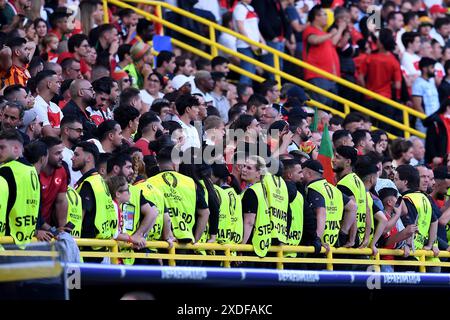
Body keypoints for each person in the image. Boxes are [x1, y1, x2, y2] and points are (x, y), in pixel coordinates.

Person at [148, 146, 209, 250]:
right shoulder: (191, 182)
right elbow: (205, 213)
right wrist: (195, 239)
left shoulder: (150, 183)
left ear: (159, 163)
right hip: (185, 244)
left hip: (161, 244)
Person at [107, 153, 158, 265]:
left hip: (126, 252)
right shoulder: (104, 191)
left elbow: (154, 212)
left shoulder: (134, 190)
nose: (132, 171)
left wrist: (137, 236)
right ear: (116, 168)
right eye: (128, 167)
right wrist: (134, 238)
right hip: (109, 251)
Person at [72, 141, 117, 262]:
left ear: (88, 158)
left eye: (76, 155)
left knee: (76, 281)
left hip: (87, 250)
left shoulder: (89, 183)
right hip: (102, 247)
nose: (72, 158)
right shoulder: (100, 180)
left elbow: (79, 216)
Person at [301, 159, 356, 252]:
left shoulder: (313, 188)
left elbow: (321, 213)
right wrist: (343, 233)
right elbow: (353, 207)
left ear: (309, 173)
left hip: (318, 245)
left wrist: (317, 239)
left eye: (301, 172)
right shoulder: (334, 189)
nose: (300, 176)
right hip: (333, 243)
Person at [394, 165, 439, 267]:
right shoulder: (424, 198)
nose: (394, 182)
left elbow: (409, 224)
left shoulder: (407, 199)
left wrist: (407, 244)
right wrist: (431, 244)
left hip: (408, 252)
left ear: (405, 182)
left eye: (396, 179)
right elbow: (434, 221)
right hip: (420, 252)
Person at [0, 130, 40, 246]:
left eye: (2, 148)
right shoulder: (32, 170)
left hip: (8, 237)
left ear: (16, 149)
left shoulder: (7, 170)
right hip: (27, 238)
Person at [302, 5, 343, 106]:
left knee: (329, 110)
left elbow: (334, 43)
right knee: (321, 108)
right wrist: (331, 34)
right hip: (317, 75)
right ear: (316, 17)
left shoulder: (323, 34)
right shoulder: (310, 29)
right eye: (324, 14)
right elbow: (314, 40)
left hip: (329, 77)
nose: (327, 17)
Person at [334, 146, 369, 248]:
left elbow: (353, 209)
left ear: (348, 162)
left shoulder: (344, 184)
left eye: (337, 157)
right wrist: (366, 237)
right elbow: (367, 210)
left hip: (348, 240)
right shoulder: (358, 181)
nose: (333, 160)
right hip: (360, 238)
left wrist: (351, 239)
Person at [241, 155, 273, 258]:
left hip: (250, 245)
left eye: (249, 168)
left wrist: (241, 247)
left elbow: (249, 222)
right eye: (244, 166)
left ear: (258, 173)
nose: (244, 170)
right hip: (261, 244)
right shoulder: (262, 188)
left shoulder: (252, 192)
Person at [39, 136, 68, 228]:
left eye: (61, 152)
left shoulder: (61, 171)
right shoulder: (34, 172)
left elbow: (61, 201)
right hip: (30, 227)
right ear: (45, 154)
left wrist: (62, 229)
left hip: (47, 226)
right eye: (57, 153)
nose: (62, 157)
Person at [33, 70, 63, 137]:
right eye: (57, 82)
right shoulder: (36, 104)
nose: (59, 86)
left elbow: (66, 128)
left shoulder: (55, 106)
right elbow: (48, 133)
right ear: (49, 84)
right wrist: (63, 130)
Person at [60, 116, 83, 187]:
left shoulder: (72, 153)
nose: (82, 134)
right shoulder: (60, 153)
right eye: (78, 130)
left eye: (82, 131)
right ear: (66, 130)